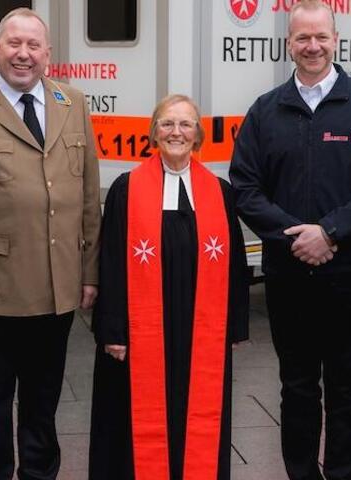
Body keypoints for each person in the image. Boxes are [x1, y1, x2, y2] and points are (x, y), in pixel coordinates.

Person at [229, 1, 351, 478]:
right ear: (289, 44)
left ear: (336, 39)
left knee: (350, 386)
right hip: (290, 275)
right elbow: (245, 187)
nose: (312, 46)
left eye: (320, 37)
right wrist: (295, 238)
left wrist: (330, 232)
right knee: (298, 386)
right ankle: (301, 472)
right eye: (302, 38)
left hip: (350, 274)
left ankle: (346, 471)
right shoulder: (266, 111)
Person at [0, 7, 101, 480]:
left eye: (33, 46)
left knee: (44, 406)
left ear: (48, 55)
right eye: (14, 44)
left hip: (57, 288)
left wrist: (89, 273)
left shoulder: (73, 103)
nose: (23, 54)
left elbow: (88, 198)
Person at [89, 95, 250, 480]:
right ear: (153, 132)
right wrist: (112, 329)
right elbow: (109, 260)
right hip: (141, 331)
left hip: (200, 333)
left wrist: (234, 326)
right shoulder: (126, 189)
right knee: (135, 424)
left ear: (198, 136)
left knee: (198, 416)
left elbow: (237, 265)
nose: (176, 132)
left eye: (185, 125)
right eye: (167, 124)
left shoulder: (220, 191)